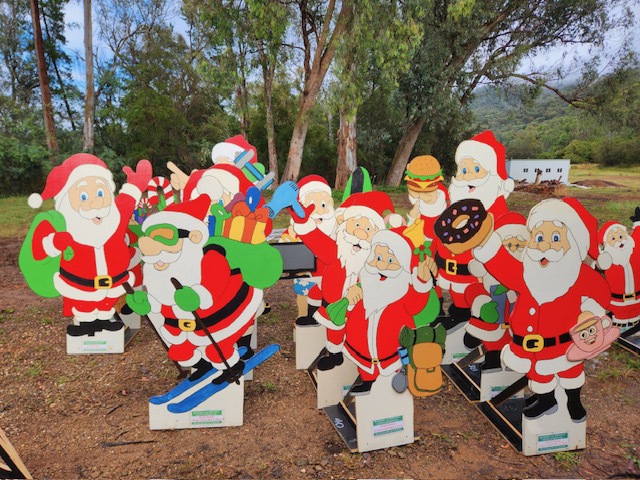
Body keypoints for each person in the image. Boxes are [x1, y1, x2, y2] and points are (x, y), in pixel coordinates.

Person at [473, 198, 611, 421]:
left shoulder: (578, 275)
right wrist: (485, 243)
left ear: (572, 243)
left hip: (565, 343)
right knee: (539, 374)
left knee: (570, 371)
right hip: (533, 346)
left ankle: (573, 401)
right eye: (539, 238)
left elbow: (601, 292)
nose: (545, 246)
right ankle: (546, 400)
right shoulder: (527, 273)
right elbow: (502, 265)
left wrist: (589, 311)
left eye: (555, 238)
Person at [127, 195, 262, 383]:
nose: (155, 249)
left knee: (217, 350)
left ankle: (232, 367)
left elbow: (215, 285)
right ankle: (203, 366)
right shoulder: (156, 267)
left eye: (165, 237)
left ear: (193, 236)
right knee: (179, 351)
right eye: (149, 238)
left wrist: (198, 296)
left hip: (220, 314)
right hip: (184, 322)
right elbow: (159, 295)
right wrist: (146, 303)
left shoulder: (210, 257)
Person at [27, 153, 151, 336]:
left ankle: (105, 319)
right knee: (84, 303)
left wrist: (135, 185)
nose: (96, 202)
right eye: (84, 195)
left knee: (107, 302)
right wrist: (55, 242)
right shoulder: (64, 224)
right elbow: (40, 248)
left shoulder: (115, 218)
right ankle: (86, 323)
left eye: (100, 193)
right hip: (79, 282)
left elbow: (126, 201)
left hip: (113, 280)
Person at [292, 191, 396, 370]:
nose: (360, 234)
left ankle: (344, 354)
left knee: (346, 329)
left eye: (368, 229)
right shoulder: (337, 250)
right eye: (357, 225)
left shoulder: (375, 260)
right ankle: (326, 339)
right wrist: (303, 221)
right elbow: (315, 239)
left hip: (358, 308)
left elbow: (385, 277)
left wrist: (362, 287)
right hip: (332, 299)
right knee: (327, 314)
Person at [335, 228, 438, 395]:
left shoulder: (402, 294)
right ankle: (367, 381)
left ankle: (395, 385)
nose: (381, 265)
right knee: (365, 367)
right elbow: (348, 311)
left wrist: (422, 281)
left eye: (390, 260)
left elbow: (416, 304)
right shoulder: (365, 287)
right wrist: (350, 302)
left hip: (392, 352)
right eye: (377, 258)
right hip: (362, 349)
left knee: (393, 371)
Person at [436, 130, 515, 327]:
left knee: (483, 305)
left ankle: (482, 324)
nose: (468, 176)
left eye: (477, 169)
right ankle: (459, 312)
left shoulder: (498, 216)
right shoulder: (454, 210)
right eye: (463, 170)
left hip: (482, 280)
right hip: (452, 274)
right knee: (460, 301)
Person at [596, 213, 640, 330]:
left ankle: (634, 320)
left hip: (637, 299)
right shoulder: (608, 259)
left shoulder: (634, 250)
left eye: (621, 236)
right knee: (620, 318)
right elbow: (598, 267)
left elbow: (638, 237)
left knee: (636, 315)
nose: (619, 241)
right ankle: (621, 323)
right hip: (618, 301)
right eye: (613, 239)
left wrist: (638, 223)